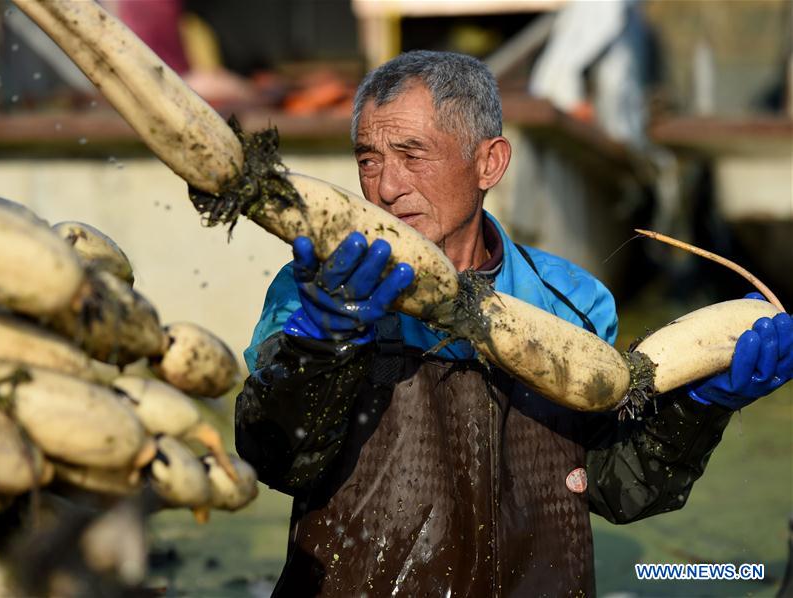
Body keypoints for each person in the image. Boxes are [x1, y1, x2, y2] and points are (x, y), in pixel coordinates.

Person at [235, 51, 792, 596]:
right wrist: (321, 344)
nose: (384, 187)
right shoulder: (313, 290)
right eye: (368, 159)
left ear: (489, 163)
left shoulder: (571, 303)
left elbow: (617, 490)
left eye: (412, 154)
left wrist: (698, 407)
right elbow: (275, 459)